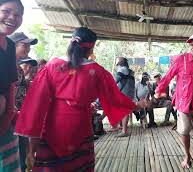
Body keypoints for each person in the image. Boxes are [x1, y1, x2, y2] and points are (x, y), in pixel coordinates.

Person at [15, 27, 147, 171]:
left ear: (71, 43)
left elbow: (37, 103)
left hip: (52, 127)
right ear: (91, 49)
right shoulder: (96, 71)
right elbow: (115, 98)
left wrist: (32, 145)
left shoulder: (52, 65)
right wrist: (136, 105)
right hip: (80, 127)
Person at [155, 33, 193, 168]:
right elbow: (168, 75)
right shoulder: (182, 59)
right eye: (191, 44)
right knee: (184, 130)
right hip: (183, 101)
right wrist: (159, 89)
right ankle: (187, 156)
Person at [0, 0, 24, 172]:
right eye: (6, 11)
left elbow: (11, 85)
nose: (11, 18)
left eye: (17, 15)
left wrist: (9, 114)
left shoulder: (8, 45)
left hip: (4, 123)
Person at [9, 32, 38, 172]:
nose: (27, 49)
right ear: (12, 45)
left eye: (29, 46)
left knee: (19, 154)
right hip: (9, 118)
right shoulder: (6, 65)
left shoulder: (18, 70)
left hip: (17, 118)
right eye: (24, 45)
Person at [114, 57, 135, 137]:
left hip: (123, 93)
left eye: (118, 64)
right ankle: (121, 127)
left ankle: (124, 131)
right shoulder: (131, 72)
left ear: (121, 63)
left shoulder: (122, 70)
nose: (118, 66)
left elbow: (115, 81)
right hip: (130, 93)